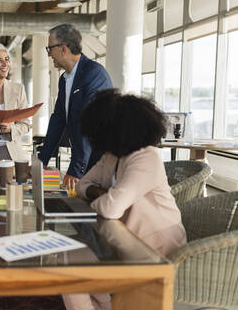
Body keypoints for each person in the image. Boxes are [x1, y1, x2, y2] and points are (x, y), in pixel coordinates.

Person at [63, 89, 187, 310]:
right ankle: (109, 303)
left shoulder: (146, 158)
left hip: (154, 247)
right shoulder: (113, 155)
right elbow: (82, 186)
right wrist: (101, 193)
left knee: (73, 270)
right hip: (122, 238)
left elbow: (111, 208)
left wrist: (104, 195)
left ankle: (112, 302)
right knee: (67, 260)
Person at [39, 23, 112, 191]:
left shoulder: (94, 74)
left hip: (100, 160)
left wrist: (76, 169)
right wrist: (42, 161)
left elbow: (87, 125)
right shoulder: (64, 79)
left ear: (63, 48)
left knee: (92, 210)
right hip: (84, 156)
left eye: (49, 48)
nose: (49, 54)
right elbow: (58, 120)